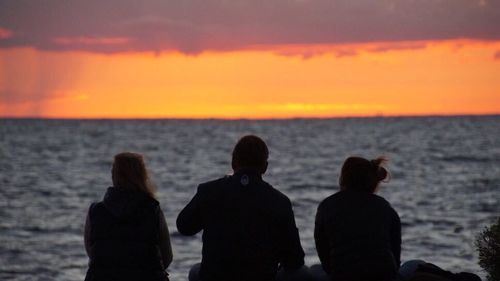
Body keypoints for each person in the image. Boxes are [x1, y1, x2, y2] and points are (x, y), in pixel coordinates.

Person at [176, 135, 308, 281]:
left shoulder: (209, 191)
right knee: (303, 273)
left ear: (233, 162)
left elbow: (183, 226)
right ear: (265, 167)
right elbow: (295, 261)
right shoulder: (280, 202)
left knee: (195, 271)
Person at [84, 152, 173, 281]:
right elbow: (166, 258)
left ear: (114, 175)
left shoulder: (95, 211)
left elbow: (92, 253)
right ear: (141, 176)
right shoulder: (152, 210)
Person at [314, 156, 400, 281]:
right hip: (383, 276)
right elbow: (395, 256)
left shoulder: (327, 206)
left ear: (344, 178)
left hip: (343, 275)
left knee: (314, 270)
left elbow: (323, 251)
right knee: (413, 265)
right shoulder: (385, 207)